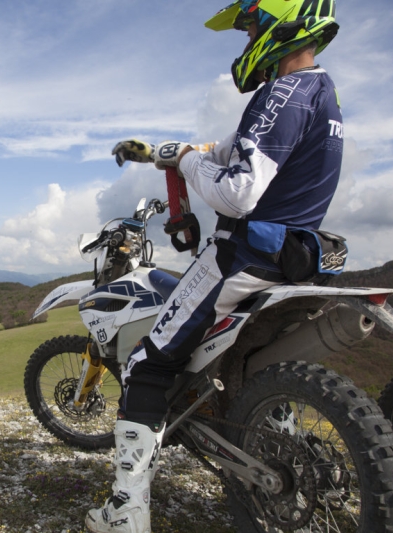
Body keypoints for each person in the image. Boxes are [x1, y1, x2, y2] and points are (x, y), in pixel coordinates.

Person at [85, 1, 343, 532]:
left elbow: (237, 191)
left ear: (279, 22)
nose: (246, 42)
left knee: (145, 364)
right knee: (256, 365)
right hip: (294, 259)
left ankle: (125, 513)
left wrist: (184, 161)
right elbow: (225, 150)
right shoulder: (321, 91)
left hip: (242, 258)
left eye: (249, 28)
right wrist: (162, 152)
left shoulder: (280, 93)